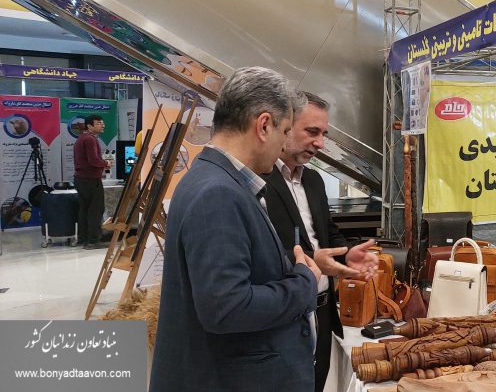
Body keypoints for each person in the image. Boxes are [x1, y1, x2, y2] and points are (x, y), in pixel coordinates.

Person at [151, 67, 322, 391]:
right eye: (285, 131)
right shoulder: (217, 193)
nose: (284, 143)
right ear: (264, 125)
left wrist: (291, 263)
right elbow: (227, 307)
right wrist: (304, 283)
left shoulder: (215, 180)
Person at [262, 92, 379, 392]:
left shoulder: (313, 180)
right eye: (312, 132)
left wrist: (347, 254)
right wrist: (310, 260)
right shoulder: (258, 181)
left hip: (323, 312)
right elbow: (259, 251)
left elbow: (327, 232)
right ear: (285, 126)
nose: (320, 143)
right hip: (285, 317)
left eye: (324, 134)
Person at [73, 114, 109, 249]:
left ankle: (83, 238)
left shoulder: (82, 138)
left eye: (102, 123)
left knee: (84, 209)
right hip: (90, 179)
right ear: (89, 126)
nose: (102, 125)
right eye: (98, 123)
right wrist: (106, 163)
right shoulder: (90, 139)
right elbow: (93, 160)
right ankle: (93, 241)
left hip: (81, 179)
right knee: (96, 210)